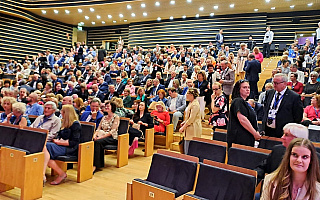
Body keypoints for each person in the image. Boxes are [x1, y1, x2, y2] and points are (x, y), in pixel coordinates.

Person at [43, 105, 81, 185]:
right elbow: (60, 136)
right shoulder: (64, 123)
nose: (61, 113)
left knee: (45, 147)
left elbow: (74, 142)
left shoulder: (76, 124)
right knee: (45, 153)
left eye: (62, 111)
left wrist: (59, 142)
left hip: (70, 148)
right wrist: (56, 140)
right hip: (61, 145)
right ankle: (61, 174)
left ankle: (44, 174)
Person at [263, 73, 303, 138]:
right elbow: (265, 108)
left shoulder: (294, 97)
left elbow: (298, 117)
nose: (274, 85)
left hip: (283, 131)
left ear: (285, 83)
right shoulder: (269, 93)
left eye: (276, 83)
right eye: (273, 82)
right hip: (268, 128)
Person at [227, 80, 260, 148]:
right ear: (238, 89)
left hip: (245, 138)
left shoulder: (244, 102)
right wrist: (255, 133)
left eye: (248, 87)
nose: (247, 89)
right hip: (240, 140)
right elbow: (242, 119)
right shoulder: (238, 101)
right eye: (244, 87)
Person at [93, 101, 120, 171]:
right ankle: (94, 162)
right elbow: (98, 128)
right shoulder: (104, 117)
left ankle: (96, 165)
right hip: (102, 135)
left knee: (98, 142)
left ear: (112, 108)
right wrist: (95, 135)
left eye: (108, 106)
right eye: (106, 106)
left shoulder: (116, 117)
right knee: (92, 140)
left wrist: (100, 137)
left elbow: (112, 131)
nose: (106, 107)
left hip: (112, 137)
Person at [179, 88, 202, 154]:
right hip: (189, 127)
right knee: (186, 148)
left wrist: (183, 128)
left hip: (193, 128)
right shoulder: (191, 103)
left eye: (187, 93)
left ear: (192, 95)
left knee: (190, 149)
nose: (186, 95)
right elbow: (188, 116)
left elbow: (192, 118)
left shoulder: (195, 104)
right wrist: (184, 122)